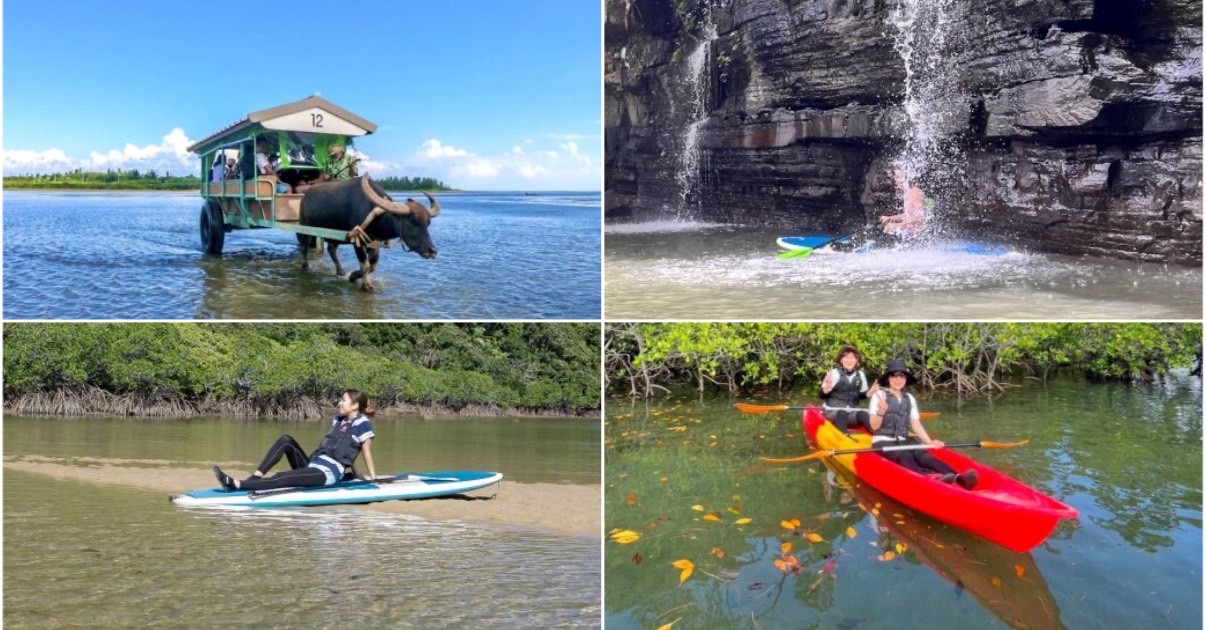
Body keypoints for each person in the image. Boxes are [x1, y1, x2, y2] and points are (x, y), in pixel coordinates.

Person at [212, 389, 379, 492]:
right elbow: (347, 450)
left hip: (327, 473)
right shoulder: (338, 420)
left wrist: (373, 479)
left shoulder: (362, 424)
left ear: (355, 405)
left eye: (343, 400)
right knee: (286, 440)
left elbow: (365, 451)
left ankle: (236, 484)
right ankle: (254, 479)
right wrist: (355, 473)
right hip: (313, 466)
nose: (339, 403)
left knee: (283, 476)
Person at [867, 359, 977, 490]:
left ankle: (959, 478)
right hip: (883, 442)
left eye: (902, 375)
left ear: (906, 379)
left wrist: (930, 442)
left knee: (925, 457)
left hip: (904, 439)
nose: (898, 379)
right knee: (905, 455)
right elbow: (874, 426)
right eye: (894, 375)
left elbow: (916, 424)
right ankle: (928, 480)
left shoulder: (909, 398)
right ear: (888, 378)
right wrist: (881, 411)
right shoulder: (879, 395)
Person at [820, 345, 878, 433]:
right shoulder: (834, 373)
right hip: (833, 412)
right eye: (846, 357)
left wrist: (869, 393)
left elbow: (860, 396)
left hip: (851, 412)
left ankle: (877, 435)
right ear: (841, 360)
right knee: (842, 413)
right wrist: (826, 388)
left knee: (863, 414)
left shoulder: (860, 375)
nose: (849, 361)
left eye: (852, 358)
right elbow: (822, 395)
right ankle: (842, 438)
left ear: (856, 361)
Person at [878, 169, 927, 237]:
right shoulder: (908, 193)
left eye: (898, 177)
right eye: (895, 177)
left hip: (919, 238)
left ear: (907, 177)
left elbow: (919, 218)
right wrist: (889, 218)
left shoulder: (915, 193)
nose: (895, 180)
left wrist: (897, 226)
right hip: (911, 234)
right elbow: (908, 215)